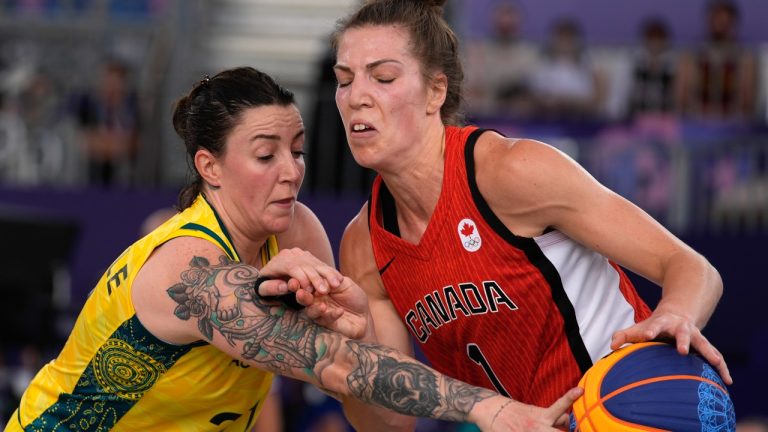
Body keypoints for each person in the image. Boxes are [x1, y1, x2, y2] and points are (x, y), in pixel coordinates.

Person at [4, 66, 576, 432]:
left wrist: (354, 319)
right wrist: (489, 408)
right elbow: (335, 368)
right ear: (211, 167)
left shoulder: (297, 233)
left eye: (298, 151)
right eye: (265, 154)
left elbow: (365, 393)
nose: (290, 172)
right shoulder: (187, 270)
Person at [322, 1, 731, 430]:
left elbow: (693, 268)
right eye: (343, 81)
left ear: (434, 92)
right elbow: (389, 421)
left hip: (630, 409)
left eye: (382, 77)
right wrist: (352, 364)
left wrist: (677, 316)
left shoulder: (510, 172)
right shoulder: (364, 245)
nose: (356, 98)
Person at [675, 0, 757, 120]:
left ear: (732, 23)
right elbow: (682, 96)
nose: (719, 25)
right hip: (697, 123)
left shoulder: (745, 58)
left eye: (724, 21)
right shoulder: (692, 55)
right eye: (715, 20)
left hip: (732, 125)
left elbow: (747, 99)